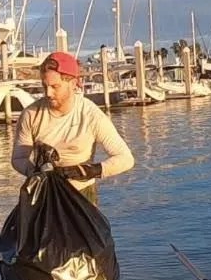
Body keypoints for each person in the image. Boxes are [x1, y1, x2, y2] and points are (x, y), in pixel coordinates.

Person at [10, 51, 134, 205]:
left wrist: (89, 171)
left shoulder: (91, 115)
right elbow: (18, 158)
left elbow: (125, 159)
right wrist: (35, 172)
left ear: (73, 83)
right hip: (45, 194)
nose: (48, 93)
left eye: (55, 87)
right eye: (44, 86)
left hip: (82, 195)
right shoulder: (30, 115)